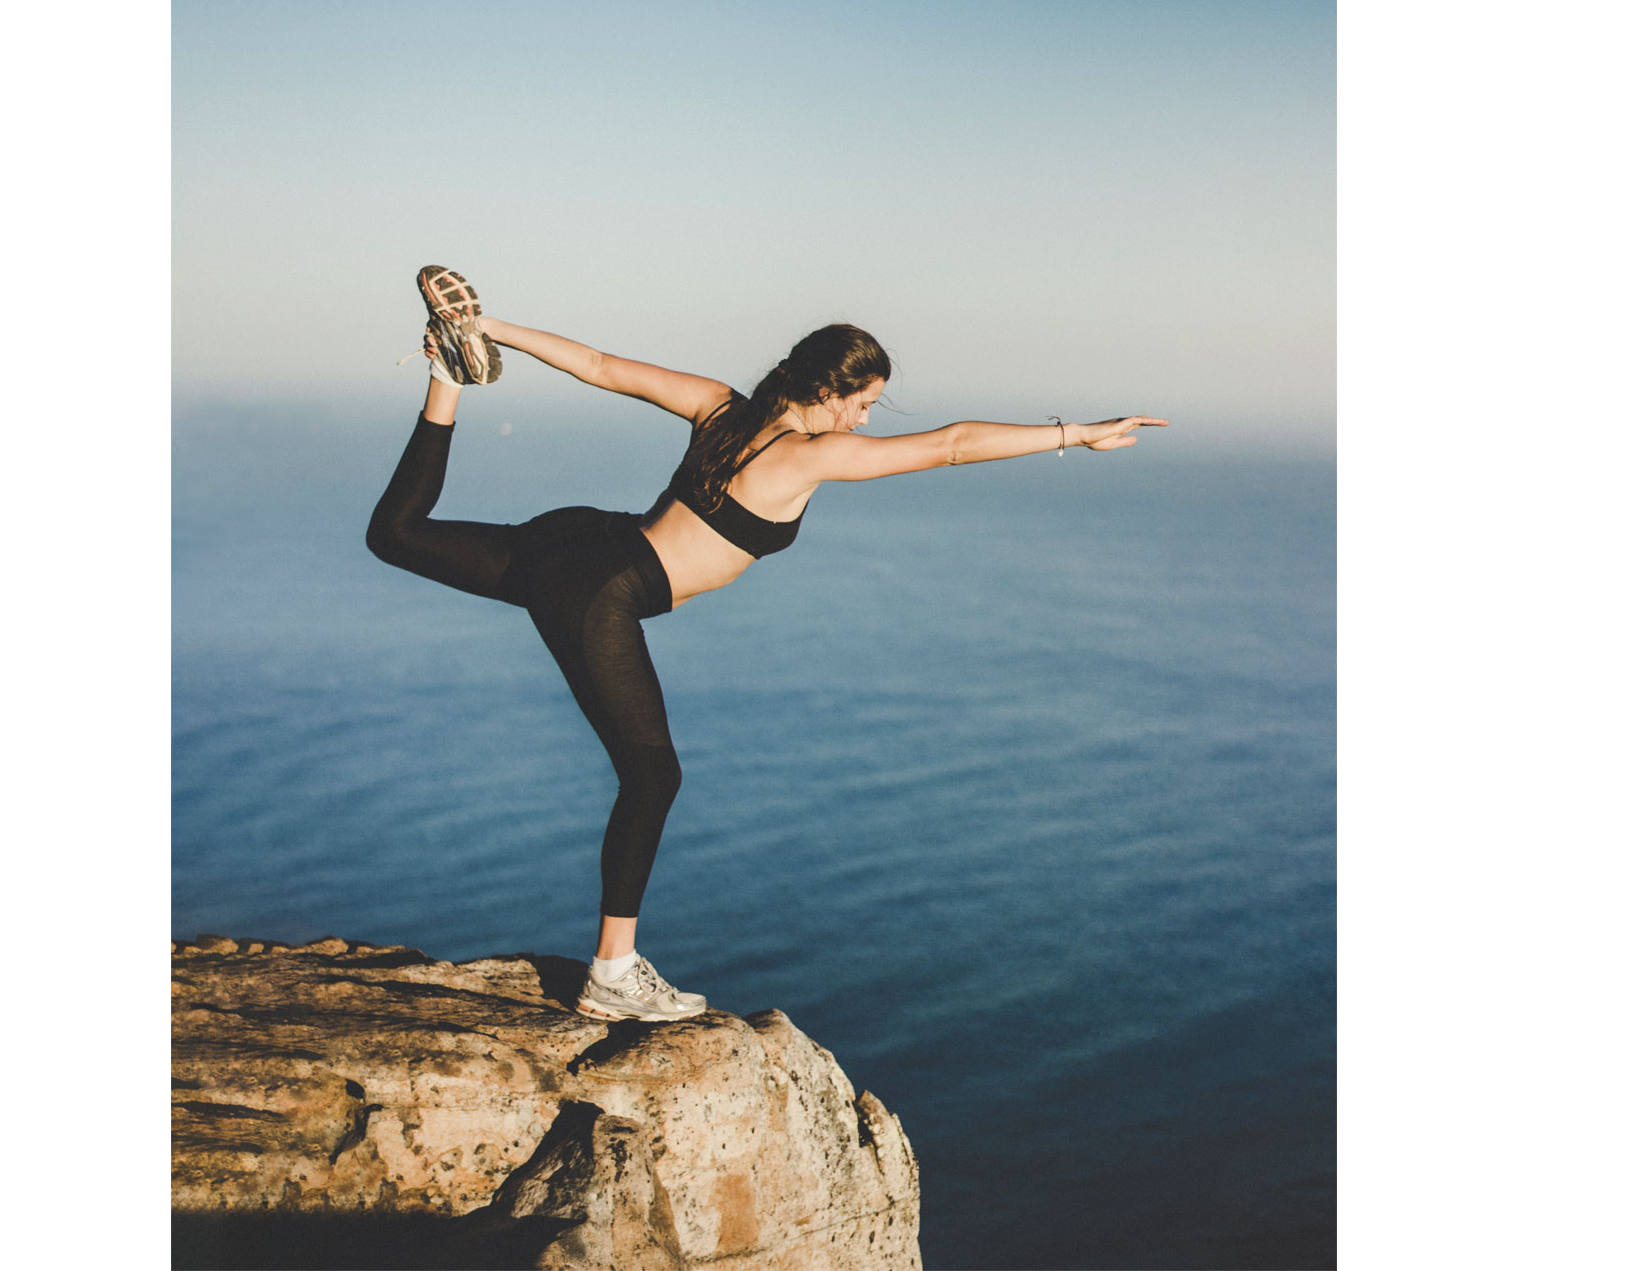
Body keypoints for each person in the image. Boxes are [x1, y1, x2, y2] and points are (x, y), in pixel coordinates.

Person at [367, 265, 1167, 1023]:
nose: (862, 420)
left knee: (396, 535)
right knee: (653, 775)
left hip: (579, 542)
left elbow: (601, 365)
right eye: (861, 403)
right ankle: (612, 974)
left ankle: (447, 370)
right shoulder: (809, 456)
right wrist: (1075, 433)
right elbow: (950, 444)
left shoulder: (719, 405)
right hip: (603, 589)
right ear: (827, 391)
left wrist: (490, 326)